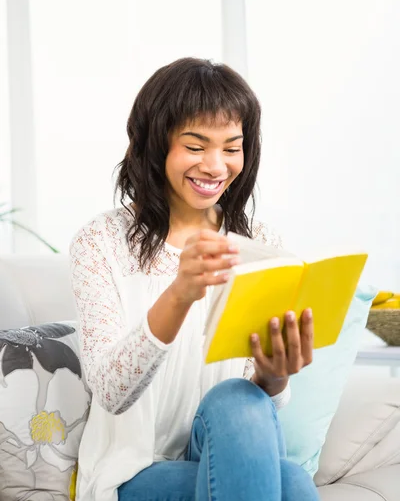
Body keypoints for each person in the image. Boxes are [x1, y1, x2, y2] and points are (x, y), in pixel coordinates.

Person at [70, 57, 319, 501]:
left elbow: (264, 405)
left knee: (239, 402)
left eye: (231, 147)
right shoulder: (101, 242)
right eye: (196, 145)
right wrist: (180, 293)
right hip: (135, 472)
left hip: (228, 449)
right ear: (154, 143)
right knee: (292, 484)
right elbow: (111, 391)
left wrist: (274, 375)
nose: (216, 166)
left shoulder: (257, 242)